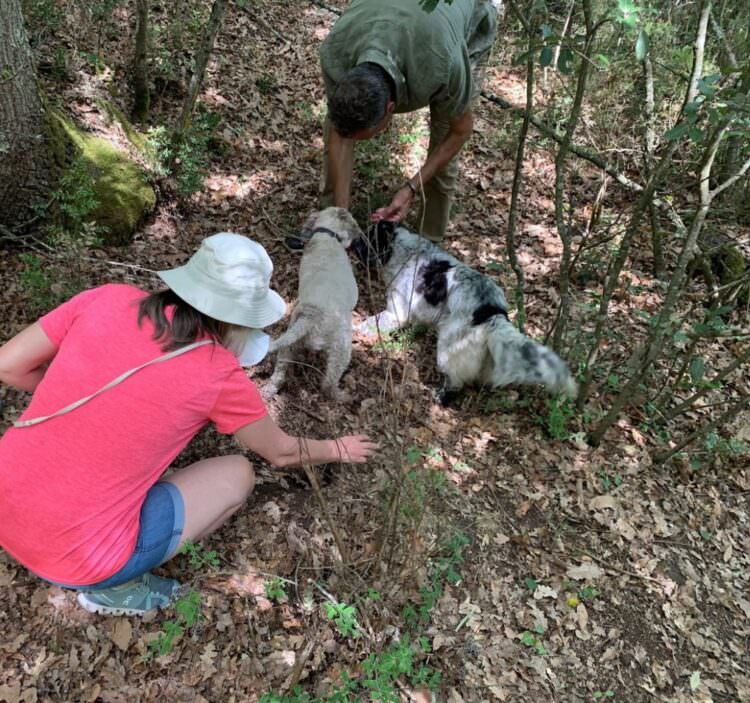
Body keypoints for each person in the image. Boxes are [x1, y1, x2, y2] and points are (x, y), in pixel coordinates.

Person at [0, 233, 378, 616]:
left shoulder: (107, 297)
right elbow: (280, 453)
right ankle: (113, 591)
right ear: (238, 319)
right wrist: (338, 448)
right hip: (82, 560)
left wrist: (76, 395)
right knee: (239, 473)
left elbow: (8, 365)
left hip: (5, 503)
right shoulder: (218, 372)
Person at [320, 0, 498, 242]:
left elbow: (460, 131)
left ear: (390, 109)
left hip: (465, 22)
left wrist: (411, 188)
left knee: (444, 135)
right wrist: (343, 217)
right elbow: (340, 133)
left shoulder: (443, 66)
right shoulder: (336, 53)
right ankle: (333, 221)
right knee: (339, 126)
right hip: (396, 23)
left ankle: (428, 241)